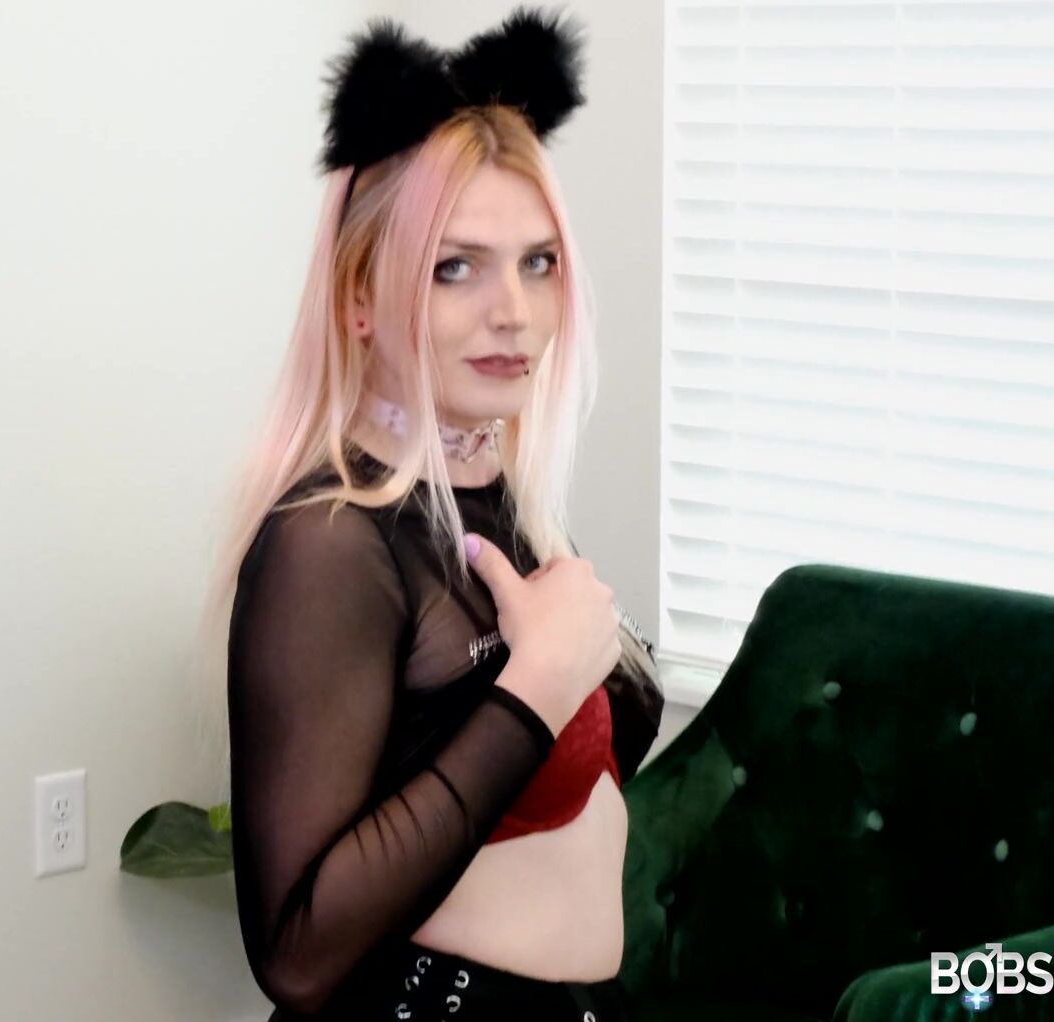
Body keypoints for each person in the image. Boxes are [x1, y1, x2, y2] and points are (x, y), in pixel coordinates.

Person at [190, 9, 665, 1020]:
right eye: (457, 266)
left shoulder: (496, 496)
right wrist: (535, 688)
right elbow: (296, 952)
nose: (514, 311)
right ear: (360, 298)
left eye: (538, 262)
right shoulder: (330, 541)